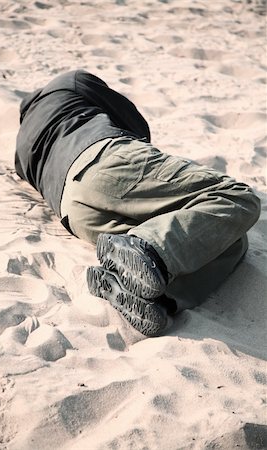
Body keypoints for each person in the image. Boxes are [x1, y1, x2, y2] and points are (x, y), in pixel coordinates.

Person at [15, 69, 261, 337]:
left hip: (75, 212)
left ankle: (153, 295)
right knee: (236, 196)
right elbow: (135, 121)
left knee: (226, 238)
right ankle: (148, 251)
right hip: (104, 162)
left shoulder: (20, 149)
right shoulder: (67, 83)